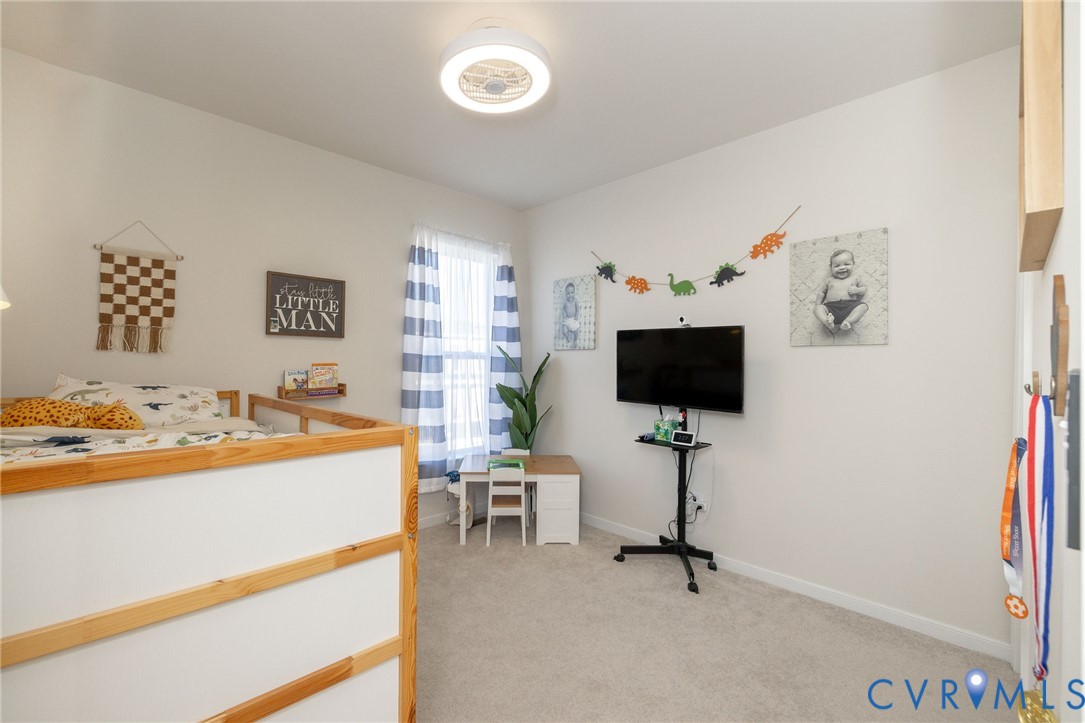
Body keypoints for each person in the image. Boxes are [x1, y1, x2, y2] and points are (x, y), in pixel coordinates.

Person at [815, 249, 868, 331]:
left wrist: (857, 290)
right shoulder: (829, 280)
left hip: (850, 306)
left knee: (863, 306)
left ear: (853, 264)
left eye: (847, 264)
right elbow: (821, 292)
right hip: (831, 308)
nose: (842, 268)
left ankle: (847, 321)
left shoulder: (855, 278)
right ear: (831, 267)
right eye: (837, 266)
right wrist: (818, 304)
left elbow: (864, 289)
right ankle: (828, 322)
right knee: (818, 309)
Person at [561, 282, 580, 346]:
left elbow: (578, 308)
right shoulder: (565, 302)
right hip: (567, 320)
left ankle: (575, 341)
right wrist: (564, 314)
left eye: (572, 293)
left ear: (574, 293)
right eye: (568, 293)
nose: (570, 295)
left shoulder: (575, 300)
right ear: (566, 294)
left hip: (573, 319)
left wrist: (577, 315)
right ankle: (567, 337)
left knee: (576, 332)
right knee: (564, 331)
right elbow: (563, 309)